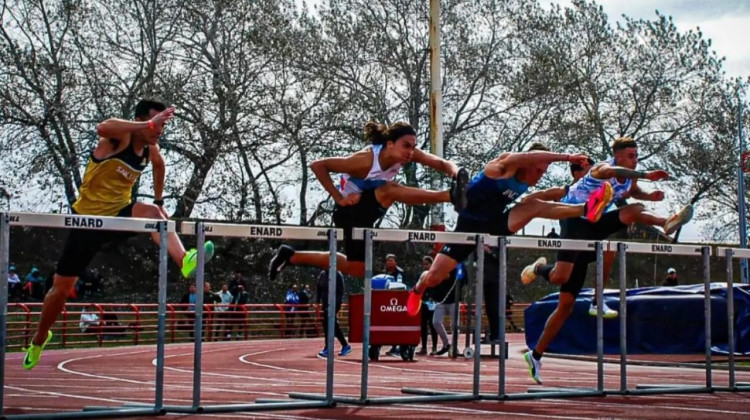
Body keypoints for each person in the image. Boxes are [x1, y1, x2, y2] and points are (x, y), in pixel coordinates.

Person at [22, 100, 217, 370]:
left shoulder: (150, 149)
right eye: (156, 125)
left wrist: (160, 201)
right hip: (88, 222)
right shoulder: (118, 138)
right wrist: (147, 124)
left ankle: (185, 260)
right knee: (60, 291)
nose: (159, 131)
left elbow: (159, 165)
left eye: (162, 126)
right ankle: (40, 337)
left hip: (120, 215)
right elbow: (103, 126)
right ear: (141, 121)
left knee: (151, 213)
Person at [520, 136, 694, 385]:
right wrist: (646, 173)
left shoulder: (630, 176)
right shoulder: (602, 168)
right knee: (563, 292)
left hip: (595, 223)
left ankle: (665, 223)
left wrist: (650, 195)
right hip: (574, 221)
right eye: (631, 156)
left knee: (625, 222)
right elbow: (611, 172)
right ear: (619, 156)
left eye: (637, 156)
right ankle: (539, 274)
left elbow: (632, 191)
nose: (636, 160)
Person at [409, 144, 612, 310]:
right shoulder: (502, 168)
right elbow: (524, 156)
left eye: (544, 171)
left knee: (534, 206)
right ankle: (418, 288)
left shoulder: (527, 182)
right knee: (434, 278)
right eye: (539, 170)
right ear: (527, 163)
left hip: (495, 223)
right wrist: (567, 157)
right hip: (468, 225)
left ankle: (586, 208)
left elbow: (542, 198)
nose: (540, 175)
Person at [268, 120, 469, 281]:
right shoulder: (364, 162)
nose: (410, 151)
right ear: (389, 144)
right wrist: (339, 198)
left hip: (366, 211)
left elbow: (440, 162)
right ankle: (447, 196)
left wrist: (456, 173)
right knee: (390, 190)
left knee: (357, 268)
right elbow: (318, 165)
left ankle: (291, 256)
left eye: (413, 147)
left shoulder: (405, 154)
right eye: (406, 146)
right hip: (349, 211)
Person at [316, 269, 351, 357]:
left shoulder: (337, 274)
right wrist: (317, 302)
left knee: (329, 324)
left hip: (334, 304)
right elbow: (318, 288)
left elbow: (340, 292)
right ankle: (344, 345)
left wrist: (334, 305)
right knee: (330, 325)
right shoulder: (323, 274)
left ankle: (329, 347)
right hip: (325, 303)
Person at [417, 256, 438, 356]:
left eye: (427, 264)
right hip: (423, 303)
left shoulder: (435, 275)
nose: (425, 266)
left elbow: (437, 287)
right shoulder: (423, 275)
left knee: (433, 325)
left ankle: (434, 347)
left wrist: (432, 297)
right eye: (424, 264)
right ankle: (424, 347)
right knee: (423, 326)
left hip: (432, 303)